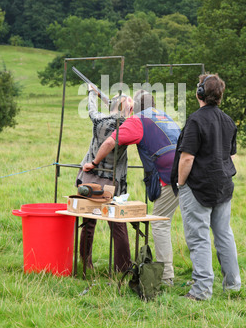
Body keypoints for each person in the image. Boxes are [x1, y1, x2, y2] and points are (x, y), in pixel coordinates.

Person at [83, 90, 181, 285]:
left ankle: (166, 277)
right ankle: (199, 277)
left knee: (160, 223)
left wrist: (93, 163)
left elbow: (111, 140)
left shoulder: (137, 120)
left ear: (134, 107)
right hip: (186, 171)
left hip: (167, 175)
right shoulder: (164, 116)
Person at [171, 74, 241, 301]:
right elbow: (228, 153)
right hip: (223, 185)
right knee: (224, 234)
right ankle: (233, 286)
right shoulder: (228, 120)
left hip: (198, 186)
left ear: (199, 93)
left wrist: (181, 184)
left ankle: (201, 291)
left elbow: (187, 158)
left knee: (199, 238)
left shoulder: (195, 120)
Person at [75, 87, 133, 272]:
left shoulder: (99, 120)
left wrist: (93, 93)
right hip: (112, 182)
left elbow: (91, 109)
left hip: (90, 177)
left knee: (88, 223)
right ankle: (123, 268)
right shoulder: (128, 124)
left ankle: (86, 264)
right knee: (118, 225)